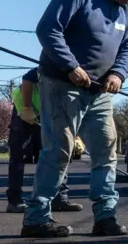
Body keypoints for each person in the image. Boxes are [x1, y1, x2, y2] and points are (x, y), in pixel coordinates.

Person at [21, 0, 128, 238]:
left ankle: (105, 217)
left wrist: (118, 74)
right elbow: (47, 29)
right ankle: (36, 218)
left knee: (106, 151)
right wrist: (71, 66)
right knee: (59, 150)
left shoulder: (125, 10)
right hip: (62, 84)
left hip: (99, 93)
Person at [6, 68, 82, 213]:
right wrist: (27, 108)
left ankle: (60, 199)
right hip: (25, 110)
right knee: (19, 158)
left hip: (49, 113)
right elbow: (27, 80)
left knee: (60, 154)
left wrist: (76, 133)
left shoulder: (83, 78)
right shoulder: (55, 64)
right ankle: (14, 201)